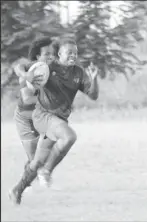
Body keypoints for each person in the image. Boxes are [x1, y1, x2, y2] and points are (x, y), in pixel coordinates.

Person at [9, 38, 100, 205]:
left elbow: (93, 96)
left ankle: (17, 190)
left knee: (36, 162)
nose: (73, 56)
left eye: (75, 53)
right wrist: (25, 74)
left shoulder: (78, 73)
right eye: (69, 53)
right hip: (43, 116)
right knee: (69, 136)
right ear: (59, 54)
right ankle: (47, 172)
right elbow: (18, 67)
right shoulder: (48, 67)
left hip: (57, 119)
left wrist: (94, 79)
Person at [13, 37, 57, 185]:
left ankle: (41, 179)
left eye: (52, 53)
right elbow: (27, 100)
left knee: (44, 152)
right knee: (33, 158)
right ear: (38, 56)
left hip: (40, 116)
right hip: (24, 118)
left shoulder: (53, 71)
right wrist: (25, 75)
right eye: (47, 54)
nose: (51, 57)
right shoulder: (31, 70)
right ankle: (28, 184)